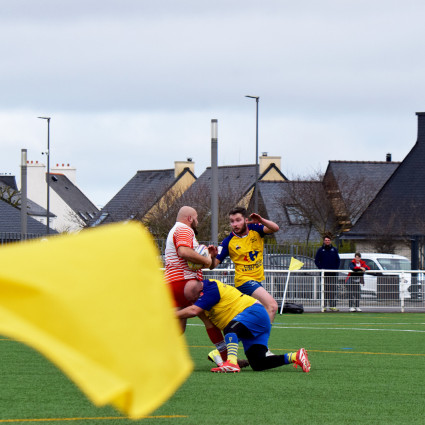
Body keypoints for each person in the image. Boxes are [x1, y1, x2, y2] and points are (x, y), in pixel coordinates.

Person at [177, 278, 311, 373]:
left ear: (200, 293)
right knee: (258, 363)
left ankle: (231, 363)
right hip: (251, 324)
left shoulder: (211, 289)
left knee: (231, 329)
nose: (193, 303)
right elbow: (211, 328)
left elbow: (193, 311)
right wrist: (223, 356)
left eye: (193, 299)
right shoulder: (203, 300)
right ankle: (295, 356)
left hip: (254, 313)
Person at [164, 206, 228, 362]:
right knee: (209, 319)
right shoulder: (184, 229)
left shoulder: (175, 230)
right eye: (197, 218)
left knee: (178, 328)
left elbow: (203, 264)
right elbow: (184, 252)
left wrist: (210, 257)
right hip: (186, 282)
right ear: (190, 218)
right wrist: (206, 259)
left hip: (173, 283)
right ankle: (226, 359)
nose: (198, 221)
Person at [209, 207, 279, 323]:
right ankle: (262, 335)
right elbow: (212, 266)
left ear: (246, 220)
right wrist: (212, 257)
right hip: (244, 281)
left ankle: (237, 331)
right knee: (272, 306)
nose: (235, 224)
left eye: (238, 220)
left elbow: (275, 228)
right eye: (232, 221)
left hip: (257, 280)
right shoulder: (228, 242)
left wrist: (261, 220)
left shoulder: (256, 229)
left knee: (253, 315)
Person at [315, 235, 341, 312]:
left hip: (333, 274)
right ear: (324, 241)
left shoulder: (334, 250)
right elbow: (316, 261)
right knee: (324, 290)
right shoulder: (320, 250)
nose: (327, 241)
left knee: (332, 290)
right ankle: (324, 306)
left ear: (330, 241)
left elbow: (338, 260)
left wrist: (335, 269)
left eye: (328, 240)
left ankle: (332, 306)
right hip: (324, 274)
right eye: (326, 240)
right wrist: (321, 268)